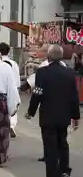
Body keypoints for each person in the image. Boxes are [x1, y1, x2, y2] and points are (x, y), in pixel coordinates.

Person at [25, 44, 80, 177]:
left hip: (48, 116)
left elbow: (37, 93)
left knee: (50, 147)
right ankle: (64, 170)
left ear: (48, 57)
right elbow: (74, 96)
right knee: (63, 142)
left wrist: (30, 112)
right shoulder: (70, 73)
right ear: (61, 57)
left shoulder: (42, 72)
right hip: (64, 116)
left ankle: (52, 173)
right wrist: (76, 116)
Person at [0, 42, 21, 138]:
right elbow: (17, 77)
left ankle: (1, 126)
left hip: (0, 89)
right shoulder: (14, 63)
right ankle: (11, 125)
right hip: (13, 88)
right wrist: (17, 88)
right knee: (13, 107)